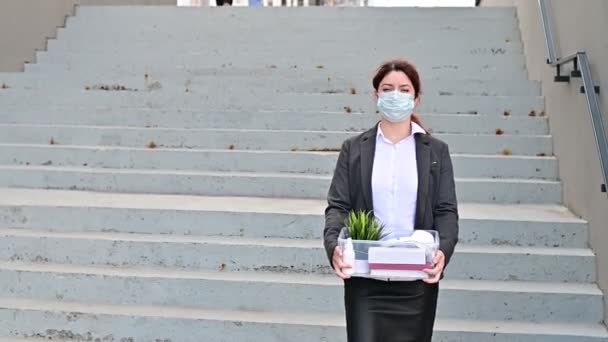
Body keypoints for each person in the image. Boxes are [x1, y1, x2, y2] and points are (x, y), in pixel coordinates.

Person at [323, 59, 459, 342]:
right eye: (387, 88)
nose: (395, 95)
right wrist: (334, 246)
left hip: (416, 279)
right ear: (376, 96)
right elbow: (338, 206)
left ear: (416, 98)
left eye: (404, 89)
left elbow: (445, 210)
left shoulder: (436, 152)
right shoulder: (354, 149)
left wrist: (443, 251)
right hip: (365, 279)